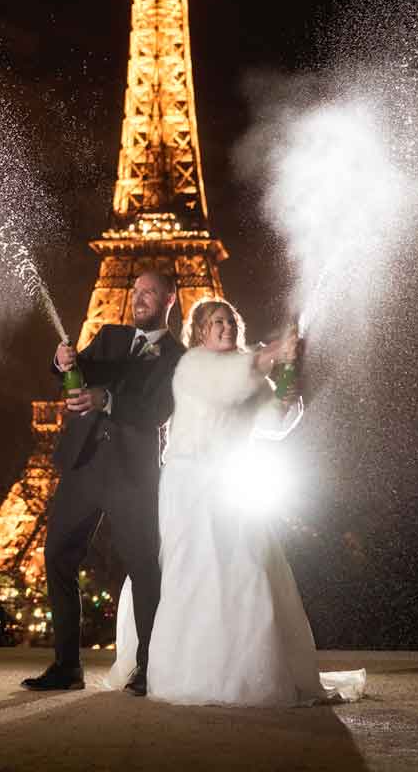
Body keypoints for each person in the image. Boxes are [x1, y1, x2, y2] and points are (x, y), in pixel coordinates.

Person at [107, 298, 366, 706]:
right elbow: (227, 386)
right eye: (215, 322)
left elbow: (273, 426)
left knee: (246, 570)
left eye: (230, 319)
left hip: (230, 482)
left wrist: (285, 385)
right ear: (200, 331)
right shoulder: (192, 366)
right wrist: (276, 352)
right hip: (190, 484)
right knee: (195, 572)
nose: (225, 326)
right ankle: (184, 671)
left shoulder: (247, 371)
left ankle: (248, 674)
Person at [21, 269, 184, 694]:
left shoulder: (178, 358)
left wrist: (106, 399)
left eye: (150, 292)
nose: (140, 298)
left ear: (170, 298)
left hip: (132, 473)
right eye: (136, 292)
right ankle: (66, 666)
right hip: (85, 464)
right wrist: (64, 362)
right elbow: (80, 369)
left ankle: (149, 669)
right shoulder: (110, 335)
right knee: (56, 555)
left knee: (144, 568)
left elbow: (156, 411)